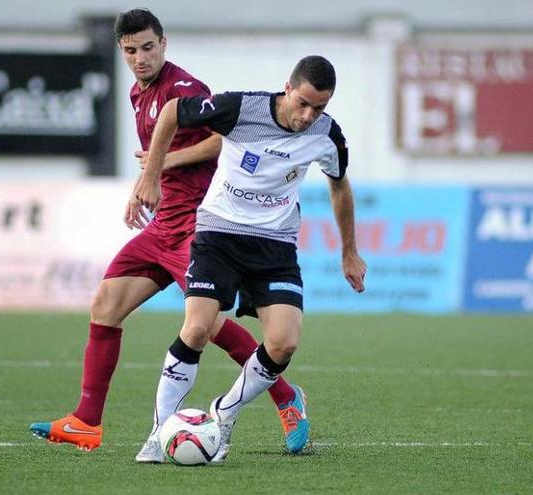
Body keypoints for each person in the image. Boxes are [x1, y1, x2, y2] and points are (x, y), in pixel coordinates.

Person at [29, 8, 307, 462]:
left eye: (148, 48)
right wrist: (144, 191)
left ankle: (287, 399)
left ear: (164, 43)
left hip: (197, 226)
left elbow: (224, 139)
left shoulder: (185, 89)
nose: (140, 58)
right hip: (162, 226)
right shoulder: (140, 94)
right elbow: (154, 162)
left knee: (208, 325)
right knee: (105, 305)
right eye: (130, 51)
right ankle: (86, 420)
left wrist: (160, 167)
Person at [131, 55, 366, 463]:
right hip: (219, 233)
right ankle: (158, 432)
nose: (309, 115)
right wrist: (151, 175)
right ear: (287, 88)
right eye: (304, 103)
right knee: (198, 327)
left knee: (284, 342)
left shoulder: (328, 136)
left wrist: (349, 251)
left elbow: (340, 186)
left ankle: (225, 412)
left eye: (320, 108)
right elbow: (172, 112)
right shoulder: (241, 108)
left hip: (275, 244)